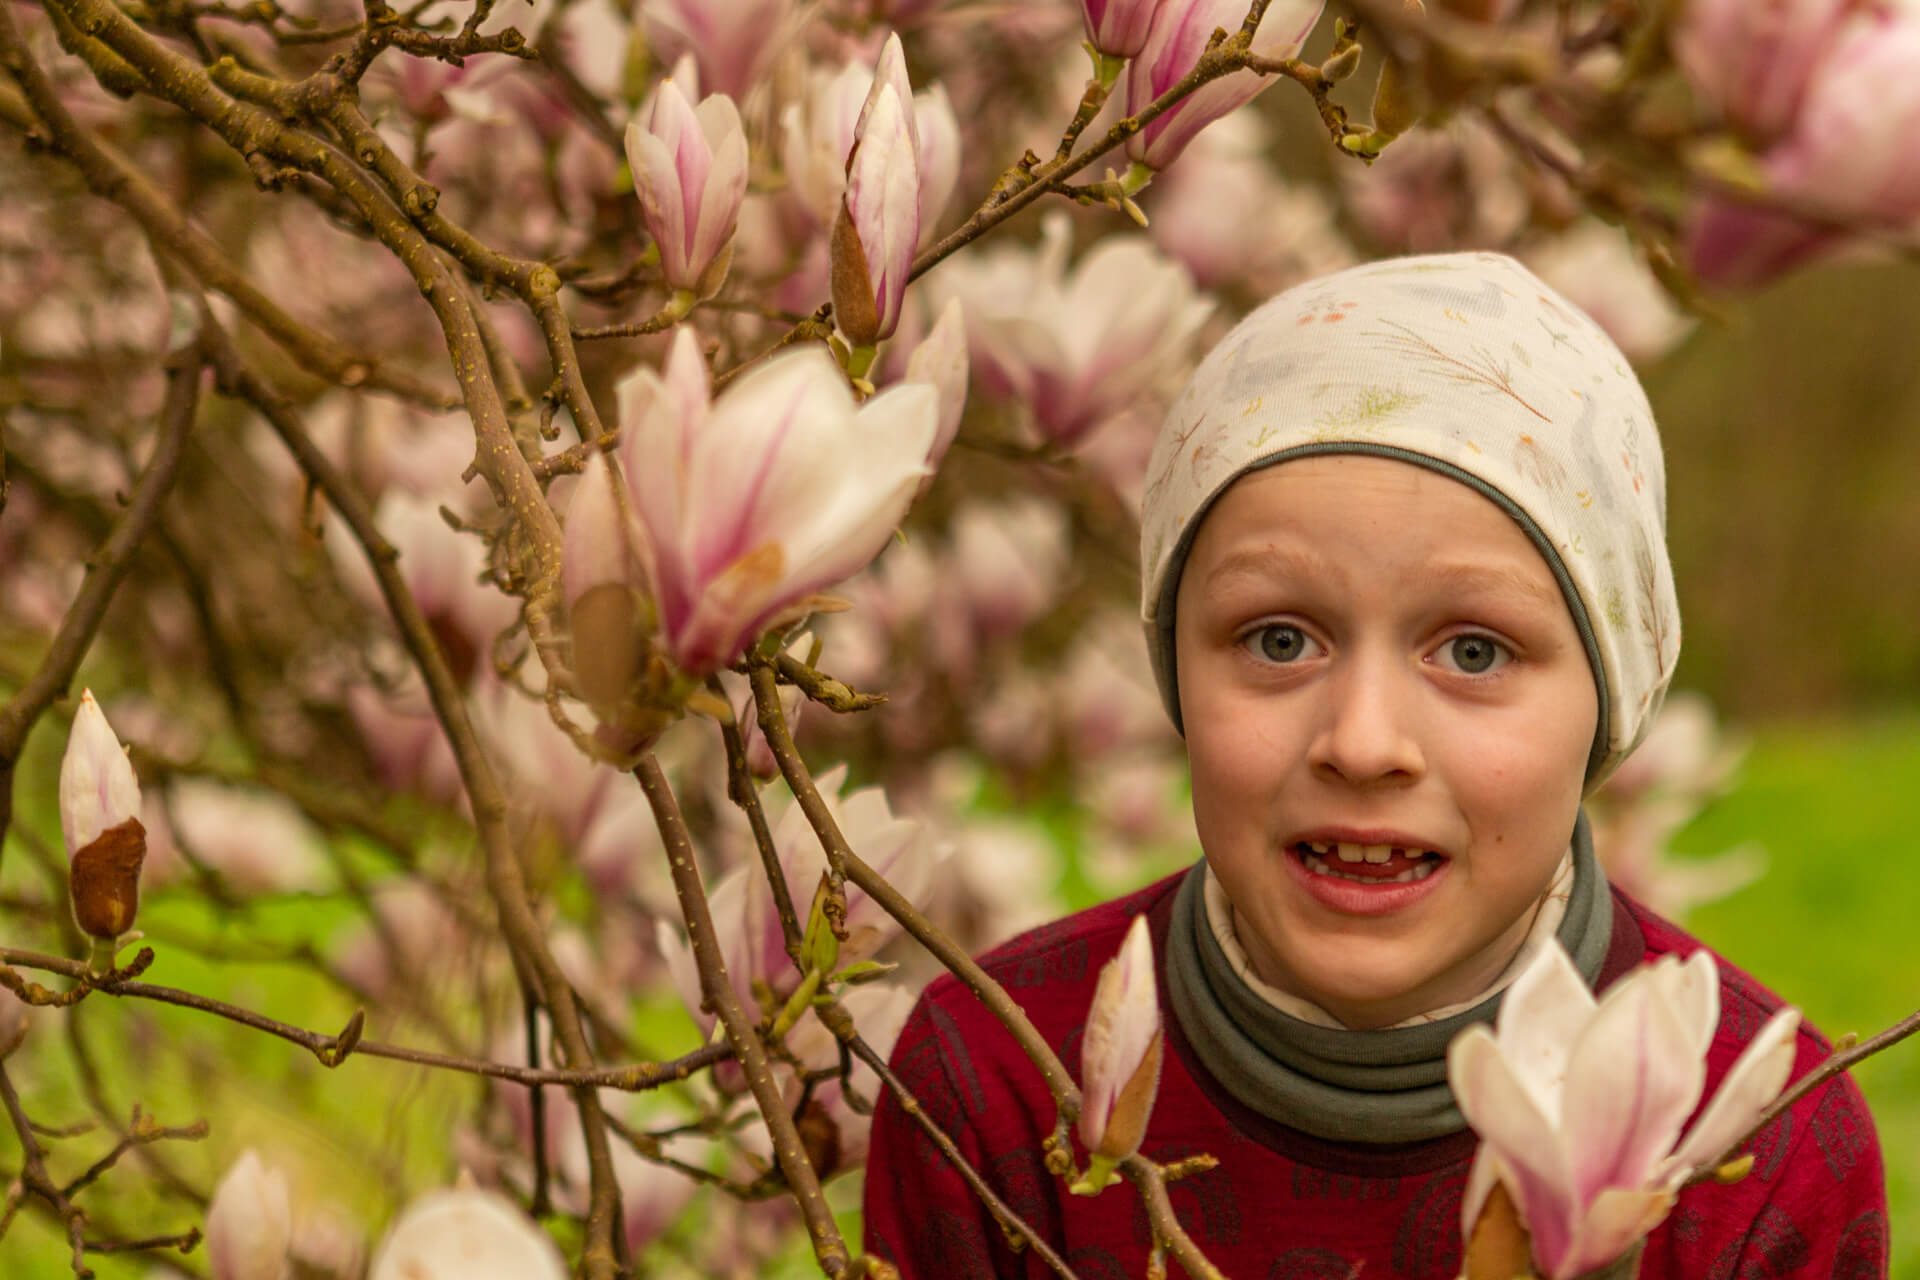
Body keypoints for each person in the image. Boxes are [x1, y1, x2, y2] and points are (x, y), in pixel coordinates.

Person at [861, 252, 1888, 1279]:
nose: (1361, 742)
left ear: (1610, 702)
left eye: (1474, 651)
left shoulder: (1760, 1141)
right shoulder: (992, 1077)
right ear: (1174, 670)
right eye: (1277, 639)